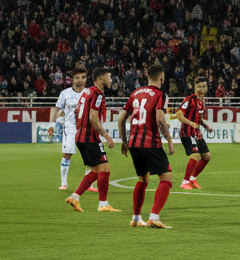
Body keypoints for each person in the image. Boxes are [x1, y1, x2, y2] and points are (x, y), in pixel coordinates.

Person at [117, 64, 176, 228]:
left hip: (134, 143)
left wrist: (124, 141)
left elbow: (121, 119)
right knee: (166, 177)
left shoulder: (135, 93)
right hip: (150, 142)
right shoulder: (160, 94)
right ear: (162, 78)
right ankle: (154, 217)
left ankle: (136, 218)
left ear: (147, 76)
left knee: (143, 179)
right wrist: (169, 140)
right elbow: (160, 119)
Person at [65, 67, 120, 213]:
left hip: (81, 136)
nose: (110, 80)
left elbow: (78, 113)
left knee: (95, 171)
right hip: (90, 137)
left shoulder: (87, 92)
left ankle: (75, 197)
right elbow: (93, 118)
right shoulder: (98, 94)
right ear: (100, 78)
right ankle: (103, 204)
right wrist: (107, 137)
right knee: (105, 169)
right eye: (108, 77)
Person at [51, 67, 88, 190]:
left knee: (89, 155)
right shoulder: (65, 93)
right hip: (70, 128)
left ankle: (89, 184)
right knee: (67, 154)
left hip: (86, 128)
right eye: (77, 77)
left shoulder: (90, 93)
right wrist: (52, 124)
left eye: (83, 77)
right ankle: (64, 183)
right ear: (72, 79)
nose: (80, 80)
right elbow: (57, 109)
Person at [176, 77, 213, 190]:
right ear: (194, 87)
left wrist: (205, 126)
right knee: (195, 154)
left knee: (206, 156)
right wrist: (191, 123)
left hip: (197, 133)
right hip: (187, 132)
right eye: (199, 87)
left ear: (207, 88)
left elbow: (198, 119)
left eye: (204, 86)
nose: (201, 89)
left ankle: (192, 178)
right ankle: (185, 182)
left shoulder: (202, 102)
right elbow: (179, 115)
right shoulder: (189, 100)